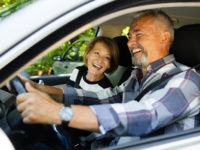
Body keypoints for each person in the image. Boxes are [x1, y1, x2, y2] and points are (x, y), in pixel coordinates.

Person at [16, 9, 200, 148]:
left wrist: (59, 113)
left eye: (138, 34)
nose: (129, 42)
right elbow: (102, 97)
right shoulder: (137, 76)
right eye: (129, 36)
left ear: (163, 38)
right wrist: (38, 88)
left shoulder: (186, 80)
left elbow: (145, 115)